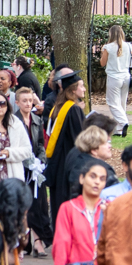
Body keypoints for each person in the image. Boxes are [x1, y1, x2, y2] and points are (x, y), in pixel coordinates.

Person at [46, 71, 87, 225]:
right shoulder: (73, 110)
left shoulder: (57, 107)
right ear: (72, 90)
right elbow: (81, 138)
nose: (84, 89)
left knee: (59, 202)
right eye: (81, 86)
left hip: (57, 163)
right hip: (70, 163)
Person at [101, 24, 132, 131]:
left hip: (114, 76)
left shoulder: (108, 47)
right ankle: (120, 128)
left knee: (112, 102)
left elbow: (102, 63)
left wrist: (102, 52)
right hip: (126, 76)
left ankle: (123, 122)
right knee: (121, 102)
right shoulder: (128, 46)